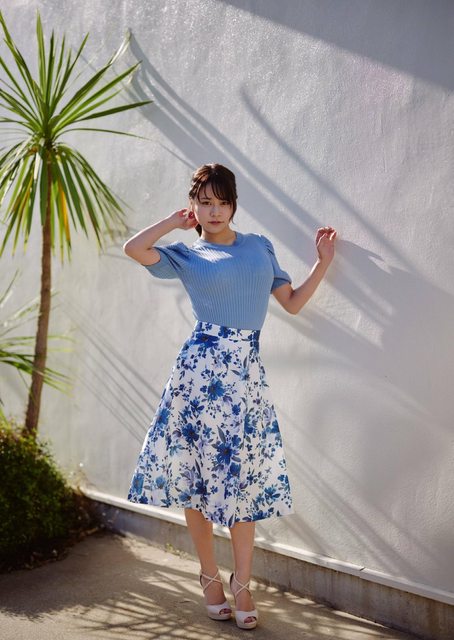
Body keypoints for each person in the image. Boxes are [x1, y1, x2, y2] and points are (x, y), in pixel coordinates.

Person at [123, 163, 336, 630]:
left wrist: (322, 262)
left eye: (222, 202)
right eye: (205, 203)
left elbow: (292, 302)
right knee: (196, 478)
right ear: (194, 206)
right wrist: (173, 223)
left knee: (244, 482)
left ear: (234, 205)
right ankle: (208, 577)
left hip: (246, 377)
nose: (214, 211)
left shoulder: (259, 247)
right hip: (199, 375)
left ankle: (243, 583)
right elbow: (133, 248)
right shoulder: (187, 254)